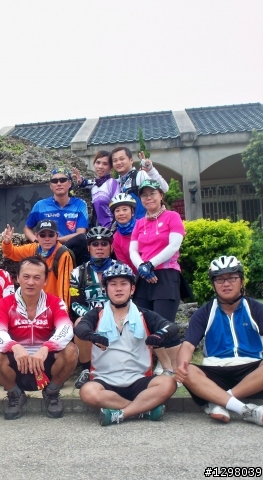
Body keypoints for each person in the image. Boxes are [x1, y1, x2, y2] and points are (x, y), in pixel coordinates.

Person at [74, 262, 178, 426]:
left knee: (169, 383)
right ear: (106, 289)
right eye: (113, 284)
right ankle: (144, 409)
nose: (118, 289)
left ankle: (122, 413)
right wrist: (92, 336)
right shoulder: (96, 314)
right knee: (87, 392)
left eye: (124, 284)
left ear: (132, 289)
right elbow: (80, 328)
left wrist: (159, 335)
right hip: (105, 380)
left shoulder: (145, 315)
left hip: (139, 380)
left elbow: (171, 327)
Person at [175, 256, 263, 427]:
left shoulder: (257, 309)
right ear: (213, 284)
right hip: (215, 371)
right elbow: (188, 345)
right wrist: (181, 365)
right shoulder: (203, 313)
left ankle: (219, 401)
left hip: (251, 371)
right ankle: (245, 410)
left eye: (232, 278)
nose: (226, 284)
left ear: (241, 281)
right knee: (187, 370)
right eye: (219, 279)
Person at [0, 256, 78, 420]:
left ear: (45, 280)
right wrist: (15, 346)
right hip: (16, 361)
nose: (31, 282)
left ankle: (51, 392)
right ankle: (15, 394)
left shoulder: (55, 302)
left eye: (37, 277)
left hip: (45, 361)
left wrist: (46, 347)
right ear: (17, 278)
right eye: (26, 276)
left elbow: (66, 329)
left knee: (71, 350)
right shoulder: (4, 303)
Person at [129, 179, 184, 377]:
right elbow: (133, 250)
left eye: (152, 193)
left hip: (166, 274)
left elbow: (174, 245)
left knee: (165, 323)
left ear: (161, 195)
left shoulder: (172, 217)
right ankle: (165, 366)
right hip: (144, 277)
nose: (148, 198)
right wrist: (142, 267)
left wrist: (150, 264)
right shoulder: (139, 223)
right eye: (144, 195)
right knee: (147, 323)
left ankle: (177, 368)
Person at [69, 227, 115, 389]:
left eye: (104, 244)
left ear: (111, 247)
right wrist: (93, 316)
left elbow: (128, 299)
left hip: (117, 313)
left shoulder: (122, 269)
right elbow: (75, 303)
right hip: (90, 314)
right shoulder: (77, 273)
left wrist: (108, 315)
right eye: (95, 244)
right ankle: (87, 370)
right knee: (79, 324)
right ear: (88, 248)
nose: (99, 247)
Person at [24, 167, 89, 264]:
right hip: (46, 250)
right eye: (54, 181)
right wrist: (36, 240)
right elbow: (27, 228)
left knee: (82, 240)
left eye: (63, 180)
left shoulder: (80, 204)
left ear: (70, 183)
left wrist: (56, 240)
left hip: (70, 250)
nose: (59, 183)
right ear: (51, 186)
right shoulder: (40, 205)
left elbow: (81, 233)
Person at [2, 220, 73, 308]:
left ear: (57, 236)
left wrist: (63, 310)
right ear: (36, 236)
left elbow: (65, 287)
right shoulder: (33, 249)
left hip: (54, 306)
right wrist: (7, 242)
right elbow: (11, 253)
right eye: (42, 235)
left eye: (51, 235)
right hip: (35, 304)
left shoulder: (63, 254)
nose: (47, 239)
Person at [110, 147, 168, 220]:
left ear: (131, 160)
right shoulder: (115, 183)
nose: (118, 163)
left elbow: (164, 188)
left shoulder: (140, 175)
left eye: (122, 159)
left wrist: (150, 170)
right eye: (115, 160)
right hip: (124, 226)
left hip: (144, 224)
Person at [72, 150, 120, 228]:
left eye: (105, 164)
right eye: (98, 162)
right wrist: (81, 181)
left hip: (112, 229)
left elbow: (118, 207)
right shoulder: (95, 185)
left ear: (111, 167)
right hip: (98, 230)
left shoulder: (112, 183)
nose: (100, 166)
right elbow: (87, 182)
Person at [109, 193, 138, 272]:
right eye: (117, 210)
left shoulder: (143, 226)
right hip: (135, 276)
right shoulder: (116, 237)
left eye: (125, 209)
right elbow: (124, 265)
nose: (121, 213)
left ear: (132, 212)